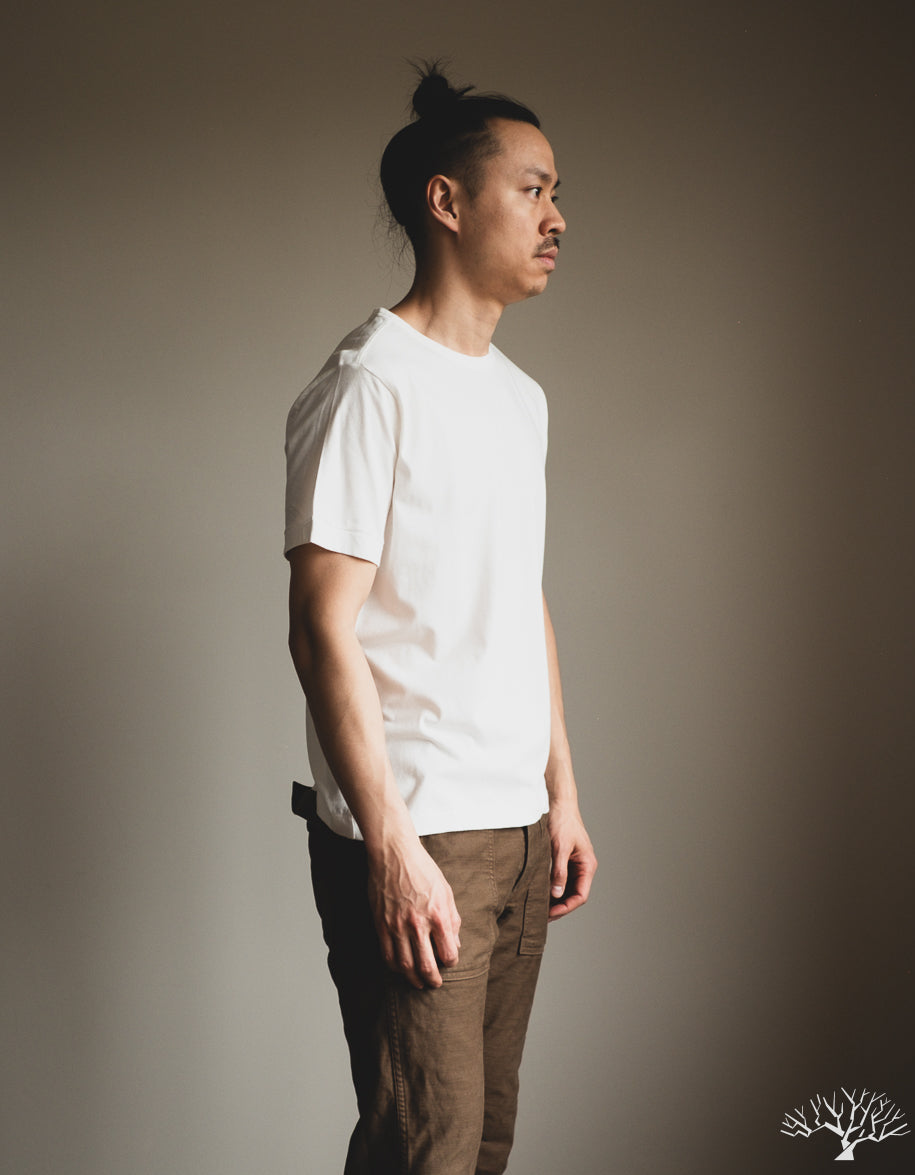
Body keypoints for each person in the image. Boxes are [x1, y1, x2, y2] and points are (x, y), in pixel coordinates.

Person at [284, 63, 597, 1175]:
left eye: (558, 193)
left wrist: (561, 794)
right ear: (446, 201)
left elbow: (519, 597)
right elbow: (321, 627)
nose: (557, 218)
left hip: (517, 833)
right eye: (533, 189)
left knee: (484, 1144)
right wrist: (389, 846)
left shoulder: (520, 398)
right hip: (421, 834)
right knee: (425, 1149)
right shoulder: (369, 383)